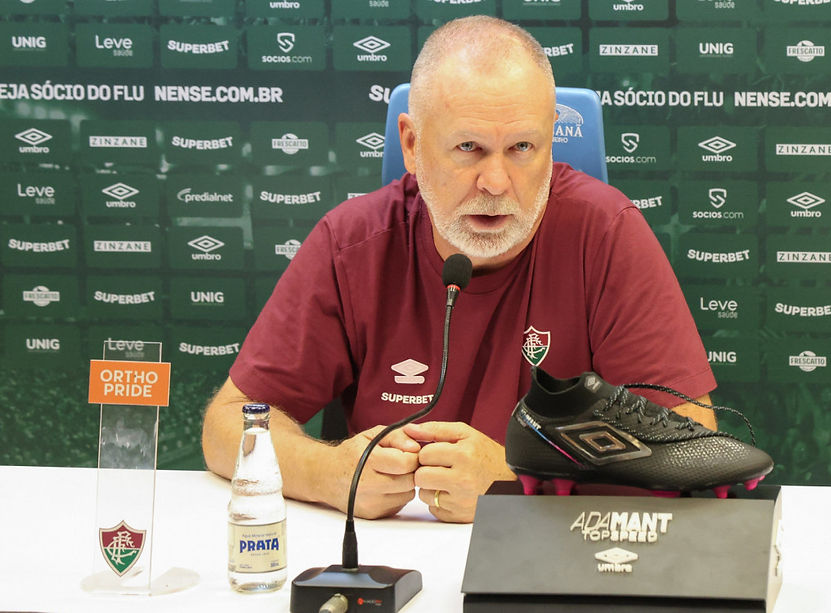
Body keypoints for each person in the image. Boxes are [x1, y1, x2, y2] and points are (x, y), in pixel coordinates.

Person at [202, 16, 717, 524]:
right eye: (468, 148)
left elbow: (693, 455)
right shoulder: (352, 243)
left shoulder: (606, 234)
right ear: (411, 144)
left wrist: (523, 481)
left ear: (551, 143)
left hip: (551, 557)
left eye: (522, 148)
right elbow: (227, 428)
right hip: (396, 559)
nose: (496, 181)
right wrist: (331, 472)